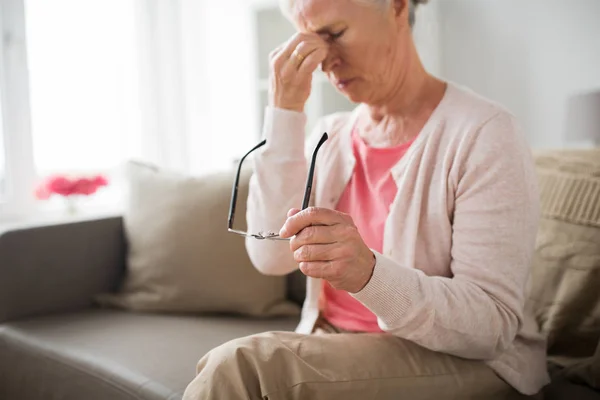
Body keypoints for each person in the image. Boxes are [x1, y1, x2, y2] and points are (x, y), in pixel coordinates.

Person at [183, 0, 550, 398]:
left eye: (334, 34)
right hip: (340, 344)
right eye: (308, 41)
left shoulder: (485, 134)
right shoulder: (332, 135)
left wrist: (368, 274)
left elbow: (490, 327)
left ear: (395, 7)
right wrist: (284, 113)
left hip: (466, 361)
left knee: (242, 367)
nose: (325, 62)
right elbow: (270, 257)